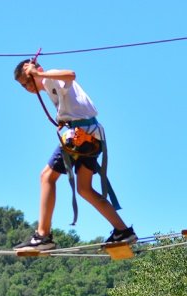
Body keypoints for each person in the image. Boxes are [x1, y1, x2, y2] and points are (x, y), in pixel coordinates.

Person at [13, 59, 137, 251]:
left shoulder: (49, 78)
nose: (28, 87)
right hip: (91, 135)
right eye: (24, 85)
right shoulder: (50, 86)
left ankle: (43, 236)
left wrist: (39, 74)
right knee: (84, 189)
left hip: (82, 135)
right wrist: (64, 119)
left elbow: (70, 74)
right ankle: (123, 231)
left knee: (46, 176)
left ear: (37, 70)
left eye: (28, 80)